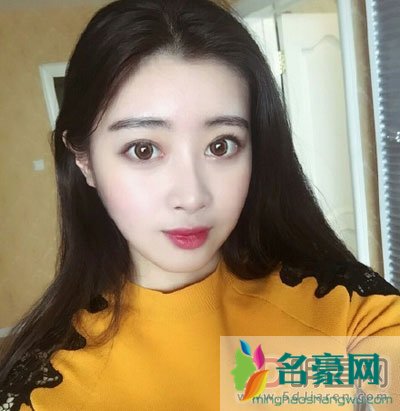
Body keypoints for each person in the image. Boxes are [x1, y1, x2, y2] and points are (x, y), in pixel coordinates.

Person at [0, 0, 399, 410]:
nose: (192, 197)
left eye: (221, 145)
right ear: (84, 160)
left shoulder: (342, 307)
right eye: (143, 149)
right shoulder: (45, 394)